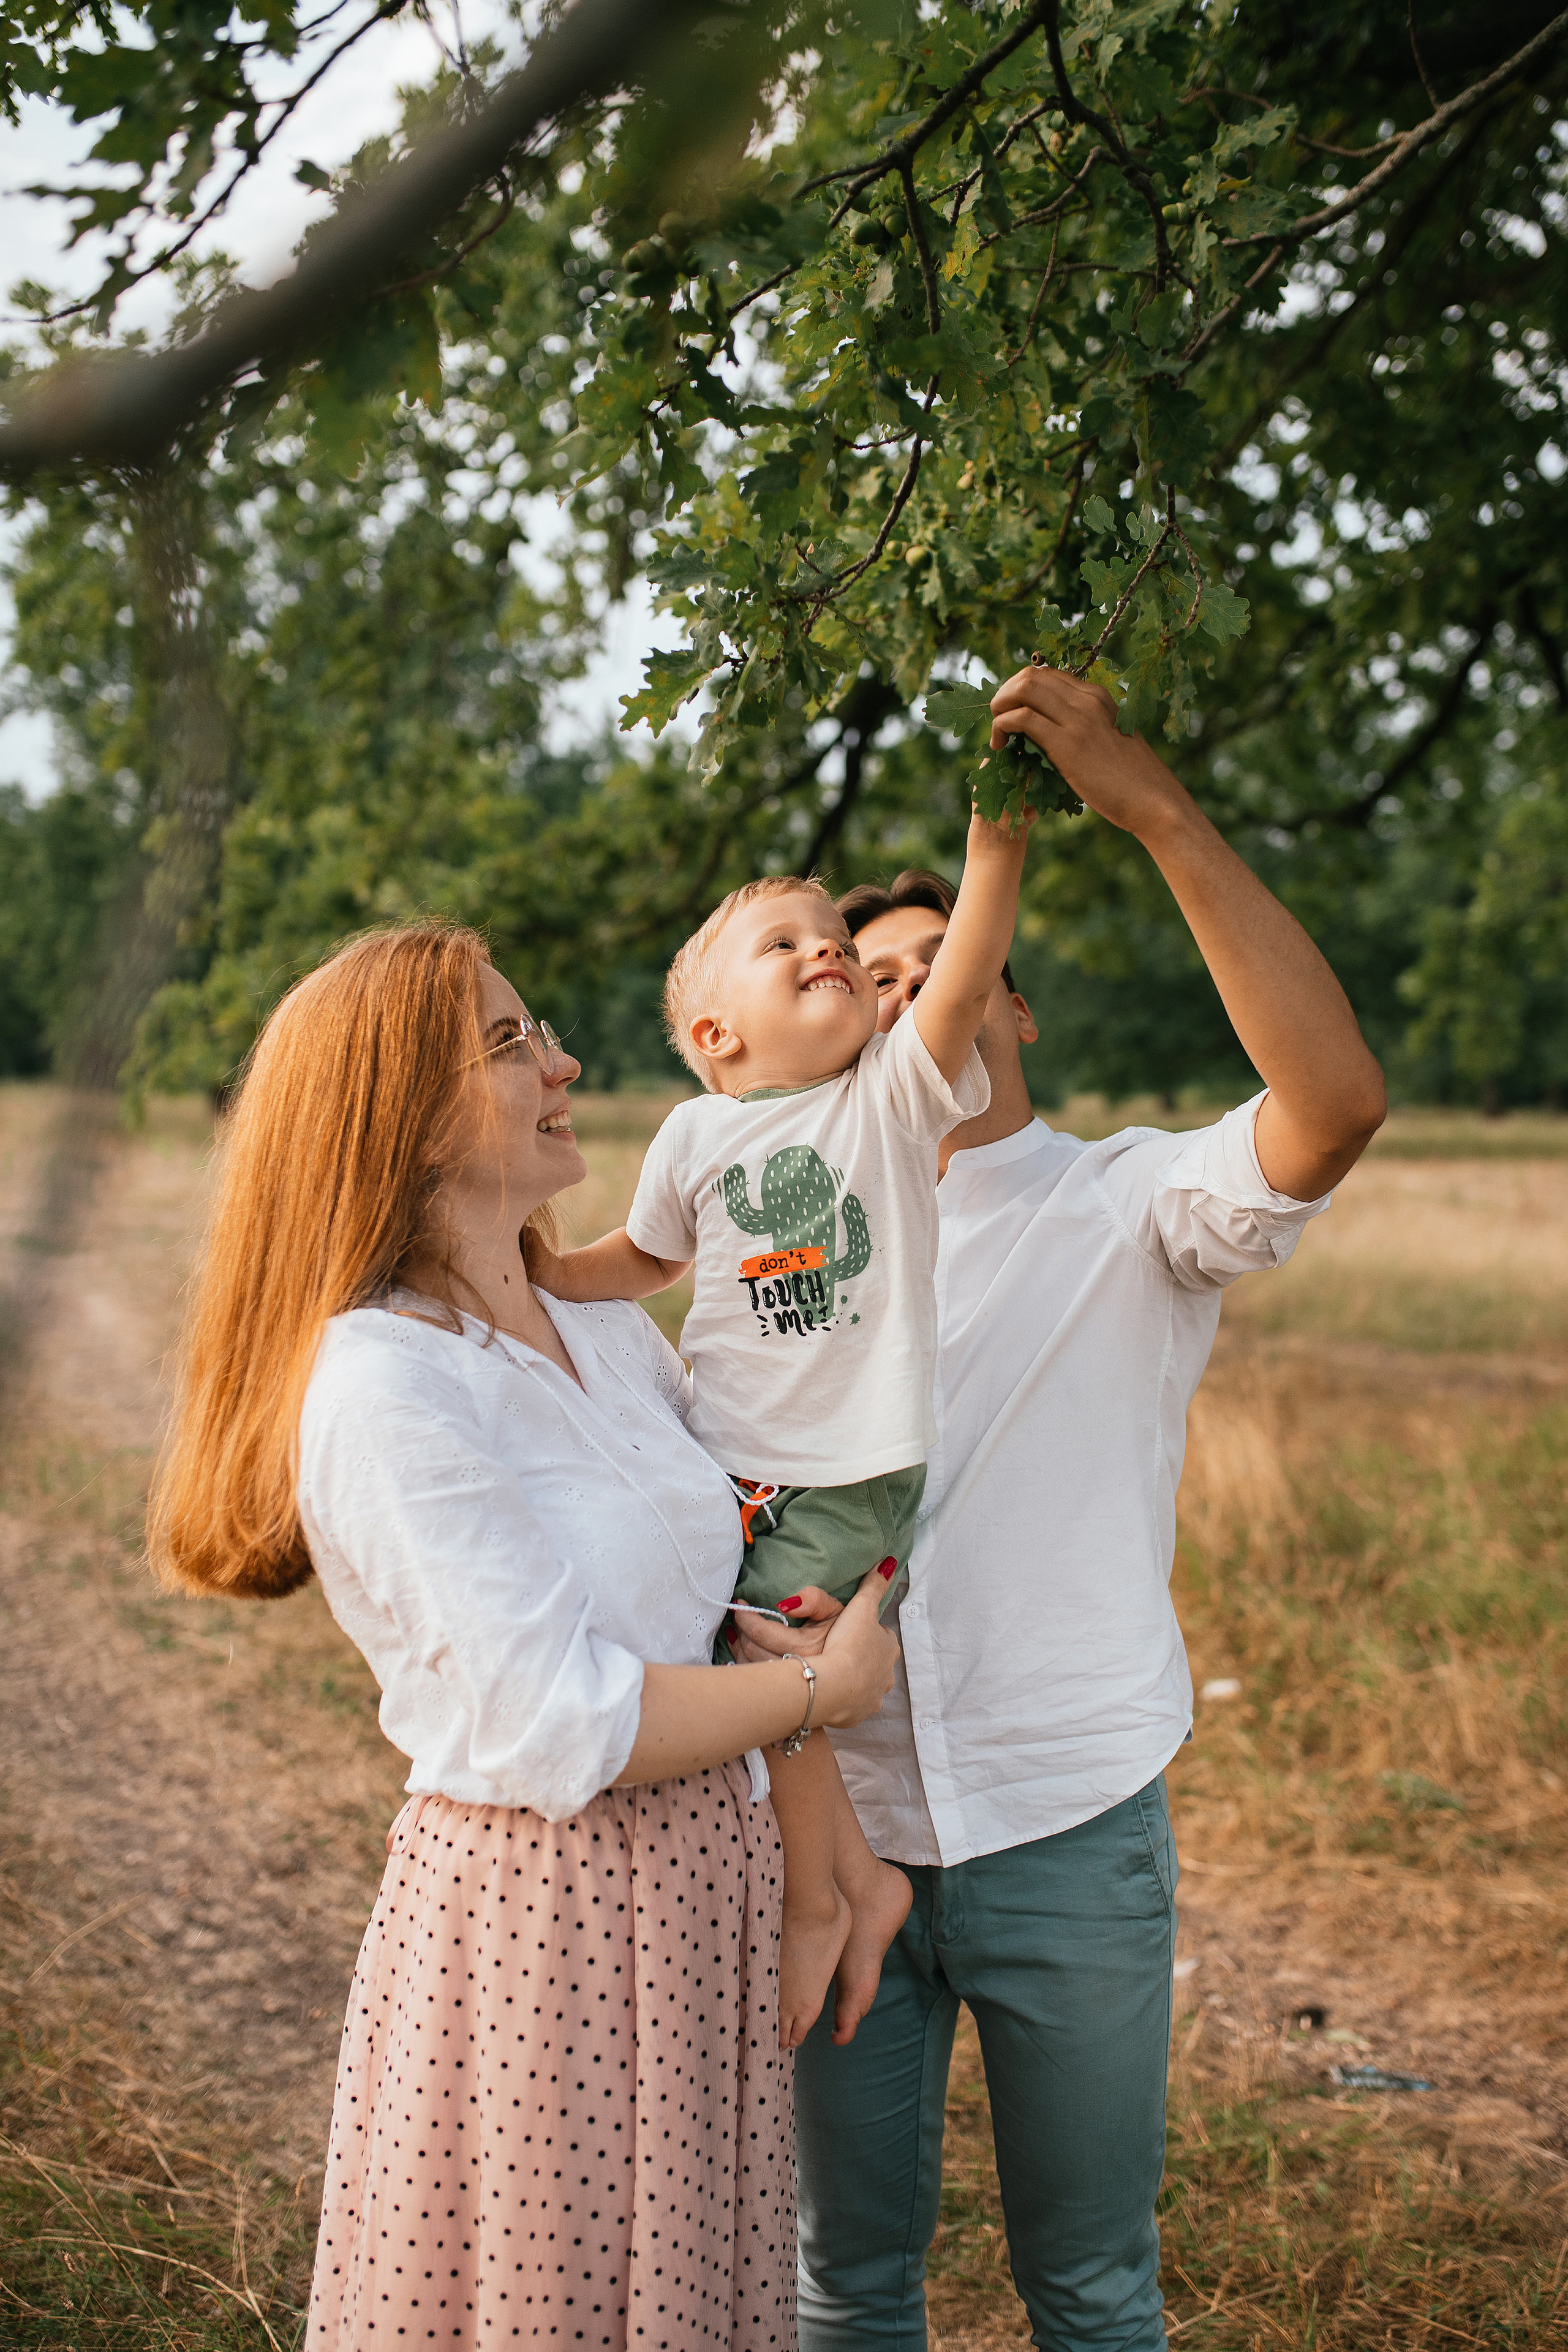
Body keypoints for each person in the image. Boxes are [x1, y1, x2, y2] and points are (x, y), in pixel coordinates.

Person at [733, 666, 1389, 2351]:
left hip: (1071, 1831)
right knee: (843, 2280)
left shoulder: (1129, 1204)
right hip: (840, 1839)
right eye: (864, 983)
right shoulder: (787, 1263)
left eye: (942, 969)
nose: (903, 1002)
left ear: (1008, 1008)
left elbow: (1332, 1111)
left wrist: (1153, 808)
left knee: (1091, 2289)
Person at [146, 919, 900, 2352]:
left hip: (705, 1896)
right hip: (545, 1926)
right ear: (399, 1116)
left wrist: (828, 1872)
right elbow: (568, 1721)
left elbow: (739, 1581)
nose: (560, 1060)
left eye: (536, 1027)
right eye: (507, 1045)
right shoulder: (380, 1383)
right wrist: (822, 1688)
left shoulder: (601, 1326)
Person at [537, 801, 1030, 2053]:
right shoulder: (697, 1133)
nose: (832, 952)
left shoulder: (888, 1097)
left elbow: (961, 982)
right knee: (743, 1668)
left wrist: (996, 853)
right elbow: (638, 1258)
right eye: (788, 945)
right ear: (714, 1035)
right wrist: (530, 1270)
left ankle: (824, 1898)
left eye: (839, 945)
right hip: (732, 1468)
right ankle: (856, 1878)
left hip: (845, 1470)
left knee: (775, 1671)